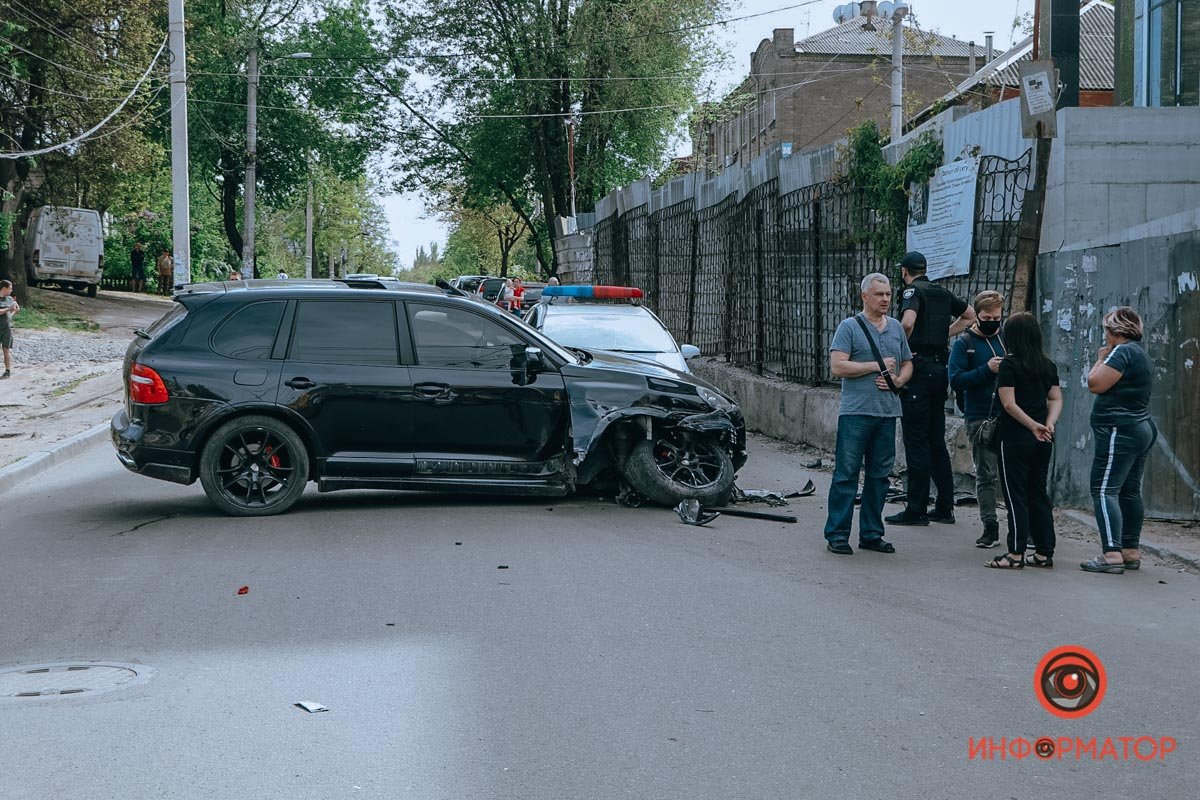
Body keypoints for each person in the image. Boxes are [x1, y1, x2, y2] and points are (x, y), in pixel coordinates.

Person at [824, 273, 913, 556]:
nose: (885, 299)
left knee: (880, 475)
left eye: (888, 294)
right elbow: (838, 367)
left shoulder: (896, 328)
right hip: (856, 412)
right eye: (879, 294)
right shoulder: (849, 327)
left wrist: (899, 380)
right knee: (846, 474)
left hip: (887, 413)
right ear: (865, 296)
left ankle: (872, 533)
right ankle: (837, 534)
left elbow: (908, 362)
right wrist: (876, 366)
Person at [886, 251, 976, 527]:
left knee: (916, 440)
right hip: (940, 370)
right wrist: (942, 335)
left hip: (919, 368)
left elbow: (908, 322)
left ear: (904, 271)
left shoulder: (912, 290)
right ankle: (945, 507)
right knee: (936, 439)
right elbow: (970, 316)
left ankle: (916, 509)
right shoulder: (942, 291)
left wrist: (899, 346)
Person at [1080, 307, 1156, 574]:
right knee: (1129, 491)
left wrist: (1100, 359)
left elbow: (1095, 383)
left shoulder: (1122, 352)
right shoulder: (1140, 353)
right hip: (1140, 427)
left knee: (1104, 490)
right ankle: (1130, 550)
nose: (1105, 335)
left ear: (1115, 331)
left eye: (1106, 330)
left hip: (1119, 429)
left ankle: (1111, 553)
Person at [986, 312, 1062, 569]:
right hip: (1044, 439)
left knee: (1015, 495)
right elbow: (1055, 398)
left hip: (1015, 437)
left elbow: (1008, 404)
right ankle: (1044, 551)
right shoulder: (1047, 365)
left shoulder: (1010, 365)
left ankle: (1015, 553)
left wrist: (1032, 426)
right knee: (1038, 493)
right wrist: (1048, 424)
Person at [948, 290, 1007, 548]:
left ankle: (1020, 526)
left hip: (1009, 413)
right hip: (979, 417)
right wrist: (986, 370)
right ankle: (989, 526)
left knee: (1012, 474)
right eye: (987, 317)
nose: (992, 321)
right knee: (985, 474)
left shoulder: (1005, 338)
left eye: (997, 317)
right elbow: (957, 380)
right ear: (977, 315)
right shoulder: (965, 344)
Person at [0, 279, 20, 379]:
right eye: (10, 289)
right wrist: (9, 308)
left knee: (6, 350)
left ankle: (7, 371)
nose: (11, 291)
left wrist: (13, 311)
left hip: (6, 329)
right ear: (4, 288)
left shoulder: (10, 299)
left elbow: (16, 308)